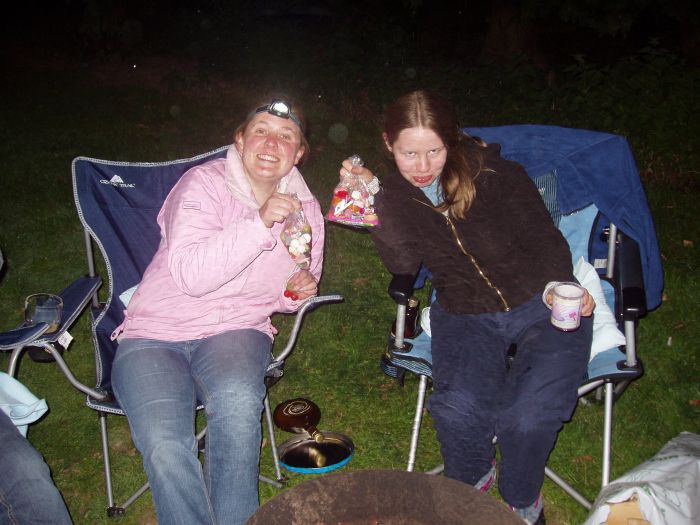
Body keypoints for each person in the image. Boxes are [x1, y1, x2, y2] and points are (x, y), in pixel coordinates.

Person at [340, 90, 594, 525]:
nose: (422, 166)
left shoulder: (495, 174)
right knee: (458, 410)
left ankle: (521, 502)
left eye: (434, 151)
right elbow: (403, 263)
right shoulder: (395, 193)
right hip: (464, 311)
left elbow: (543, 238)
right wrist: (372, 200)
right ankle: (473, 487)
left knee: (527, 417)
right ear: (387, 143)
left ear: (451, 140)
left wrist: (559, 285)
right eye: (409, 153)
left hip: (540, 302)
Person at [110, 98, 324, 525]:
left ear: (299, 153)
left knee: (238, 404)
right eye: (261, 131)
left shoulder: (307, 210)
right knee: (165, 443)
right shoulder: (201, 184)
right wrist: (259, 223)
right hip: (154, 332)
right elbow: (192, 276)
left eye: (286, 136)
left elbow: (296, 281)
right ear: (240, 140)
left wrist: (296, 292)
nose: (272, 143)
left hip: (236, 330)